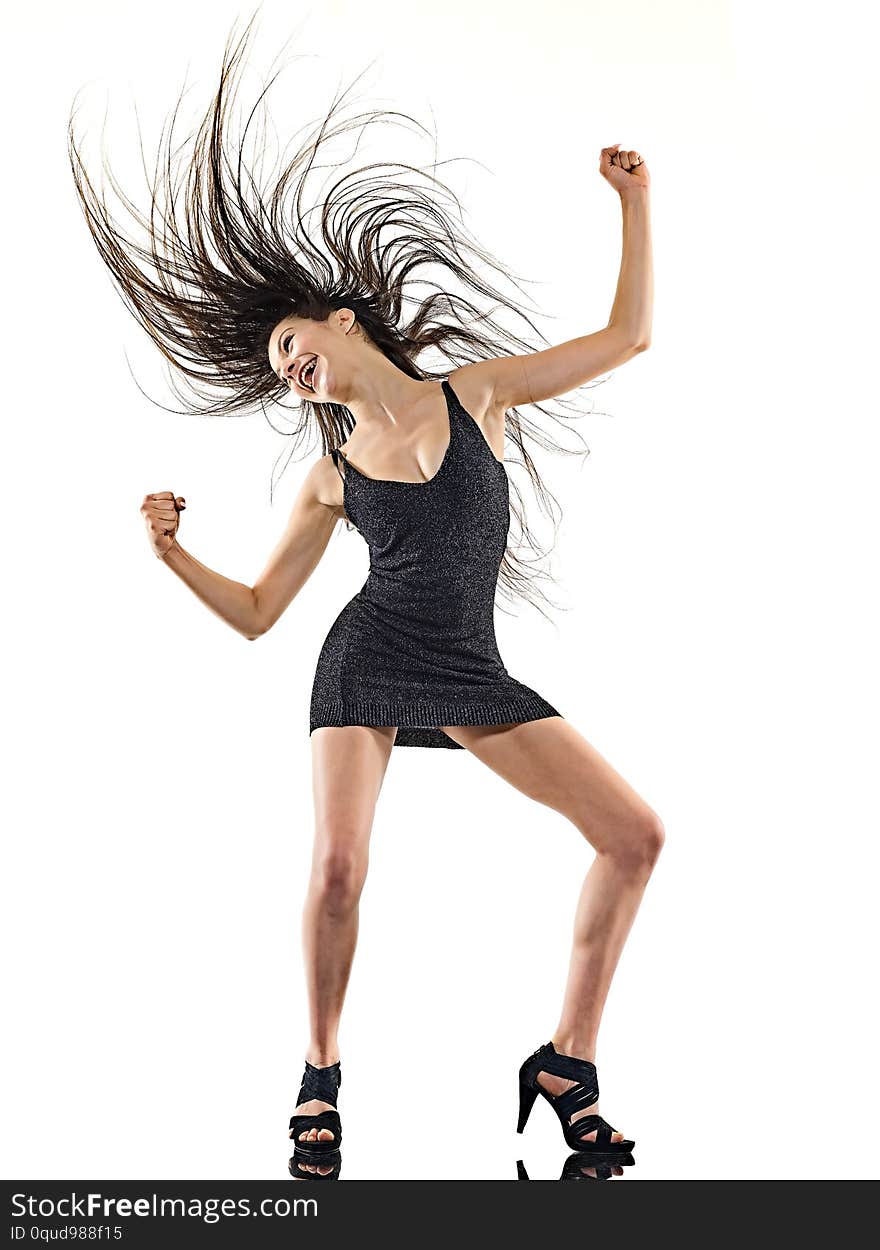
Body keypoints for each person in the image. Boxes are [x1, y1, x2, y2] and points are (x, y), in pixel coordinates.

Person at [70, 16, 660, 1162]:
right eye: (276, 369)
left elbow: (629, 336)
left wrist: (633, 201)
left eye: (292, 342)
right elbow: (255, 613)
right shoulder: (329, 471)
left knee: (633, 833)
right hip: (365, 656)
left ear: (341, 321)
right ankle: (320, 1075)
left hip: (467, 666)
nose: (287, 368)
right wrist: (171, 555)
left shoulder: (475, 396)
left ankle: (566, 1059)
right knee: (339, 864)